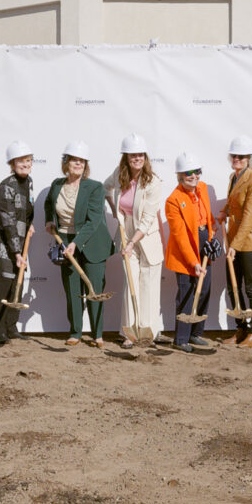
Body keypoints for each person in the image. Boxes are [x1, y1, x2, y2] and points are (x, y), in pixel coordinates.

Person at [44, 141, 114, 347]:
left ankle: (97, 334)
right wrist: (49, 220)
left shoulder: (94, 187)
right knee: (73, 288)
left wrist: (76, 243)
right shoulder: (57, 184)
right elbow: (49, 203)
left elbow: (94, 221)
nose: (78, 164)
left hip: (92, 243)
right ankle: (75, 331)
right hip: (64, 240)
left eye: (82, 161)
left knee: (94, 289)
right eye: (74, 160)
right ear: (66, 162)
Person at [103, 133, 166, 349]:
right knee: (131, 283)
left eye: (140, 155)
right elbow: (105, 188)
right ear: (126, 157)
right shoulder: (119, 176)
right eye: (132, 155)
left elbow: (148, 219)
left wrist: (131, 243)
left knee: (148, 285)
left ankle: (148, 332)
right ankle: (129, 333)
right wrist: (115, 211)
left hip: (146, 236)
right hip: (127, 231)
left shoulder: (153, 182)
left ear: (145, 157)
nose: (136, 158)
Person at [0, 141, 36, 346]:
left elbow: (28, 210)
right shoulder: (6, 187)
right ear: (12, 164)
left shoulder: (29, 182)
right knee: (5, 286)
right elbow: (7, 222)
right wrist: (16, 252)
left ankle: (12, 327)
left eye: (28, 160)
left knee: (18, 284)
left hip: (19, 242)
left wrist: (30, 225)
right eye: (21, 161)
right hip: (3, 245)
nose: (25, 164)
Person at [164, 152, 215, 353]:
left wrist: (212, 238)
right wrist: (193, 262)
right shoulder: (173, 200)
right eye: (188, 173)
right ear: (179, 175)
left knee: (205, 289)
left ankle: (196, 333)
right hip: (184, 250)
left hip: (203, 241)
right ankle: (181, 338)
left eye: (196, 172)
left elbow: (206, 216)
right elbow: (180, 237)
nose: (193, 176)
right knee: (187, 292)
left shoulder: (201, 188)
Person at [218, 135, 252, 349]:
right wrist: (223, 211)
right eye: (234, 155)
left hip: (250, 243)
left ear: (249, 158)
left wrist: (235, 246)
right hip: (234, 241)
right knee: (232, 287)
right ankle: (241, 329)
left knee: (251, 289)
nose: (237, 159)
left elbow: (249, 216)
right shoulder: (233, 177)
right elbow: (232, 203)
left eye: (242, 156)